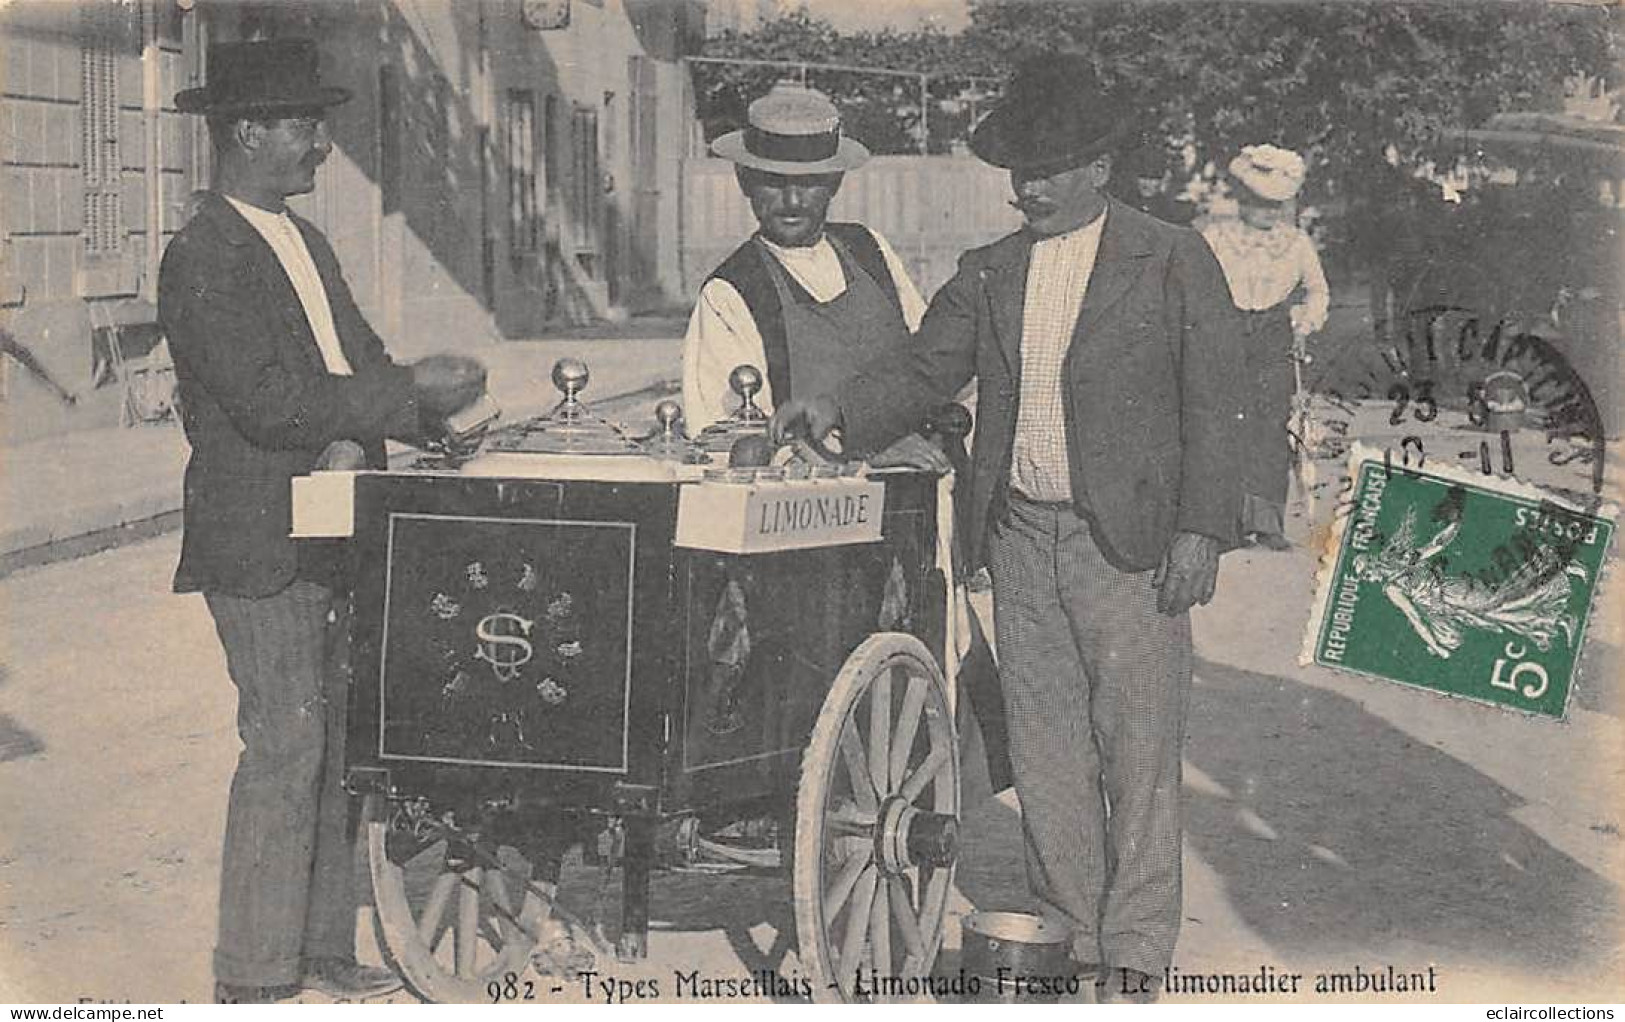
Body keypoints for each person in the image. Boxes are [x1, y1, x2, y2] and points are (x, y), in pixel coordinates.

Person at [772, 55, 1247, 1002]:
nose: (1030, 187)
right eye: (1019, 171)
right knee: (1045, 754)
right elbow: (919, 372)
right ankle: (1064, 936)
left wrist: (1202, 532)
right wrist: (829, 408)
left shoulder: (1170, 254)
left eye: (1051, 167)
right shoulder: (989, 271)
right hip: (1021, 539)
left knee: (1139, 750)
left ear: (1100, 167)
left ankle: (1138, 951)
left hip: (1134, 548)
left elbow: (1218, 400)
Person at [159, 39, 486, 1004]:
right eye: (304, 125)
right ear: (247, 131)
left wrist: (425, 412)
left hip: (334, 529)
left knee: (341, 745)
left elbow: (359, 365)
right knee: (286, 744)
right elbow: (267, 402)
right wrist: (393, 400)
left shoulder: (305, 242)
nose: (320, 145)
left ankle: (326, 958)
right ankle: (255, 978)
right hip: (259, 542)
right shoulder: (203, 254)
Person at [684, 81, 1014, 795]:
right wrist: (863, 454)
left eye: (808, 186)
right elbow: (725, 443)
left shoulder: (870, 254)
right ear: (745, 182)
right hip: (811, 541)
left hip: (918, 510)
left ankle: (925, 808)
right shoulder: (731, 293)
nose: (791, 203)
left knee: (940, 661)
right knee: (837, 690)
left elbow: (931, 366)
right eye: (773, 185)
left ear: (833, 183)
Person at [1200, 144, 1330, 549]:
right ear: (1241, 200)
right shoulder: (1216, 237)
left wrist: (1305, 320)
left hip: (1274, 335)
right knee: (1224, 423)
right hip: (1226, 332)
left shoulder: (1294, 243)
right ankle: (1225, 522)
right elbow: (1193, 287)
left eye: (1276, 206)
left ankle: (1267, 520)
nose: (1267, 214)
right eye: (1259, 204)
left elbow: (1318, 291)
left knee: (1271, 426)